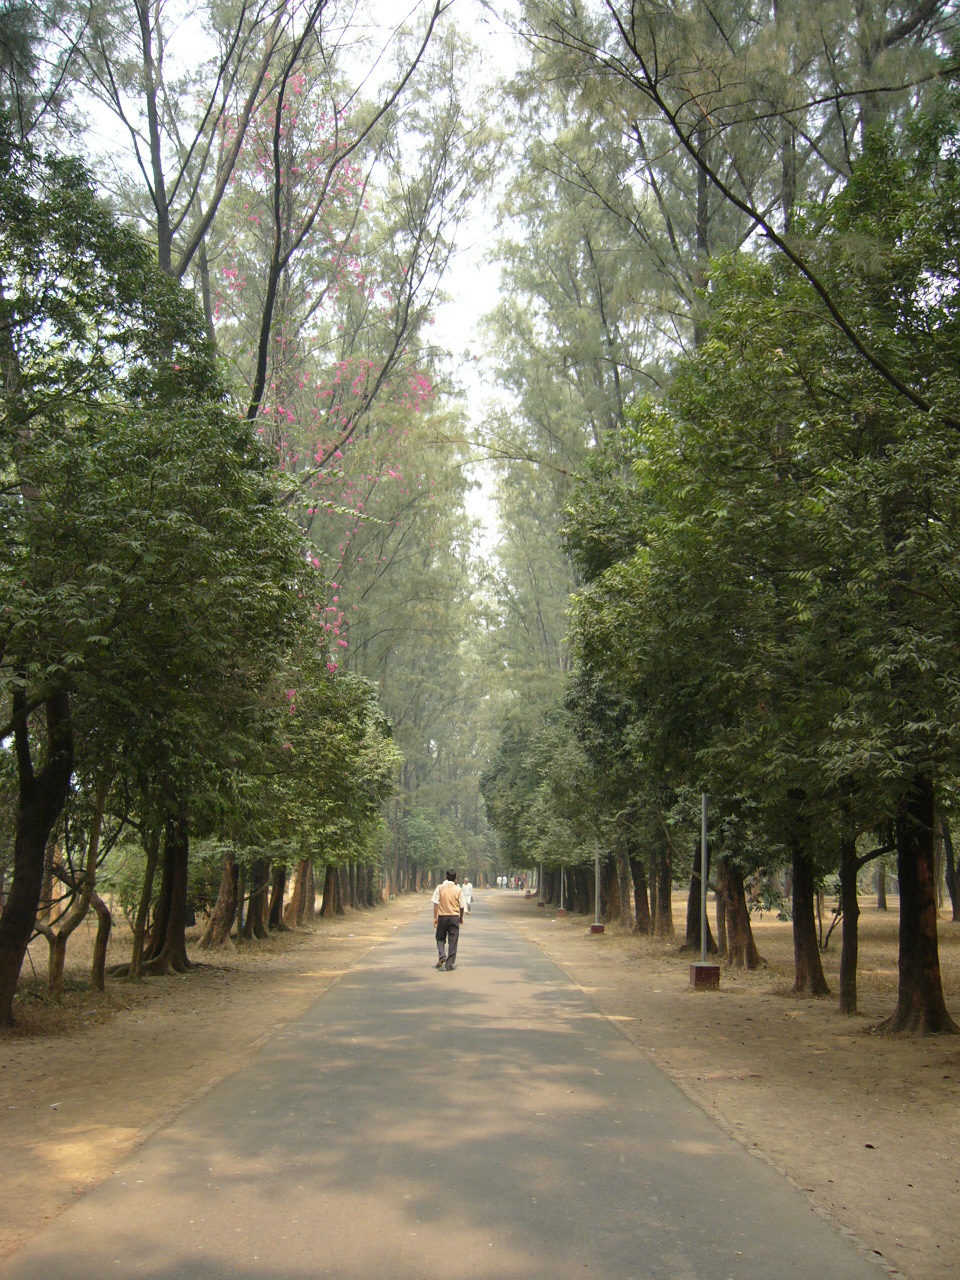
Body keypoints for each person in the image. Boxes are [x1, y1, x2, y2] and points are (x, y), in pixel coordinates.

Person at [431, 869, 465, 971]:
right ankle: (449, 964)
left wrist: (435, 917)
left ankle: (442, 956)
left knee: (440, 938)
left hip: (442, 916)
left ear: (446, 877)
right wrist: (461, 918)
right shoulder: (458, 890)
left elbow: (436, 903)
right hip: (454, 917)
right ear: (455, 878)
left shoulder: (440, 888)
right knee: (453, 941)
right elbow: (462, 906)